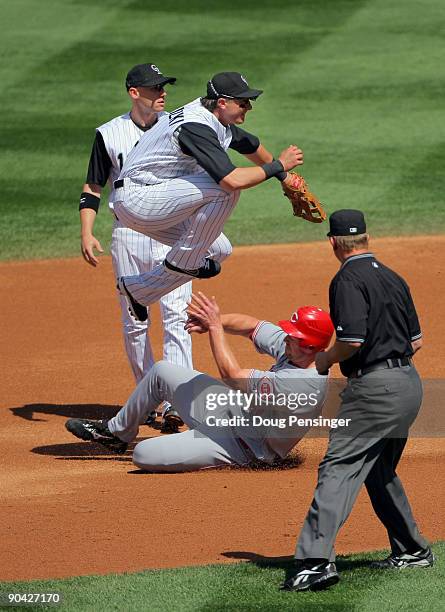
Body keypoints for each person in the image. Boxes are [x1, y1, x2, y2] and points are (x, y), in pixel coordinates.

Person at [283, 210, 433, 593]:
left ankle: (315, 561)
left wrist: (324, 360)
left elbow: (352, 341)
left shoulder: (347, 278)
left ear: (333, 243)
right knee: (378, 469)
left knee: (338, 467)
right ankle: (413, 549)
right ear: (366, 238)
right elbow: (416, 341)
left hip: (375, 391)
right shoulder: (393, 277)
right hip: (409, 386)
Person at [65, 292, 334, 472]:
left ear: (311, 347)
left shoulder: (304, 384)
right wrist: (213, 322)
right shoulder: (296, 350)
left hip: (243, 448)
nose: (285, 338)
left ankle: (197, 445)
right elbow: (253, 326)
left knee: (143, 455)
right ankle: (117, 433)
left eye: (293, 336)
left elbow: (233, 376)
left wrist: (216, 328)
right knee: (161, 371)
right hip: (232, 411)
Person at [112, 71, 305, 318]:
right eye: (243, 103)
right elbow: (232, 180)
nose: (249, 107)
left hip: (151, 200)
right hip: (139, 200)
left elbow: (250, 144)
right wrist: (279, 165)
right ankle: (183, 264)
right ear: (223, 102)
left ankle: (138, 290)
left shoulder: (214, 118)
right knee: (224, 190)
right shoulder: (195, 126)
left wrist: (284, 178)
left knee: (219, 249)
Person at [79, 63, 193, 430]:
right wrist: (87, 232)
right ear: (134, 93)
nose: (162, 93)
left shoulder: (177, 128)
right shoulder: (109, 134)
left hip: (174, 232)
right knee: (135, 321)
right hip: (128, 235)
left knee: (178, 314)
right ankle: (149, 398)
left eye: (164, 88)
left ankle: (180, 399)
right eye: (154, 88)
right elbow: (93, 188)